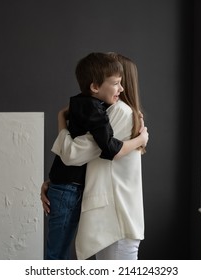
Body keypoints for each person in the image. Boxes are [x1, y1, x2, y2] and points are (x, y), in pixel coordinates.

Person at [43, 52, 148, 260]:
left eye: (117, 79)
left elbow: (73, 154)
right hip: (113, 222)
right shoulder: (109, 111)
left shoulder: (118, 112)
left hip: (115, 223)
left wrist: (60, 119)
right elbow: (92, 158)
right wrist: (56, 183)